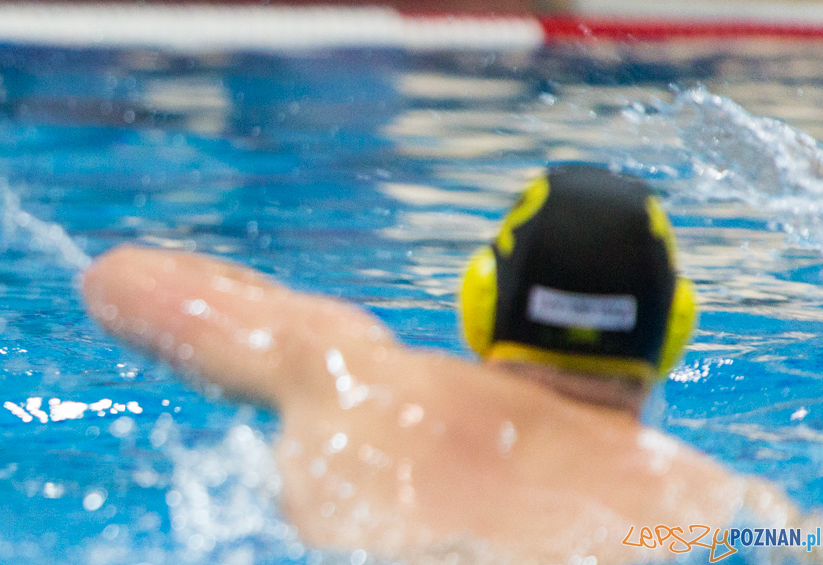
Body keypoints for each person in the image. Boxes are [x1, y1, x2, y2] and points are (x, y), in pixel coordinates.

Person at [82, 164, 800, 562]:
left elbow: (122, 280)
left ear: (481, 300)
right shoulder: (712, 506)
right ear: (674, 332)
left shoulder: (346, 369)